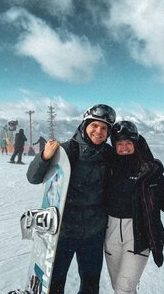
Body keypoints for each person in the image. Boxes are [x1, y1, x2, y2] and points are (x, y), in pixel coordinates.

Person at [26, 104, 116, 293]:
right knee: (55, 282)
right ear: (84, 126)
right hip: (64, 231)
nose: (98, 131)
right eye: (94, 126)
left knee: (91, 283)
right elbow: (33, 178)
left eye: (104, 128)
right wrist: (44, 156)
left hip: (94, 232)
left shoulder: (109, 155)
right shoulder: (67, 151)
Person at [104, 121, 164, 294]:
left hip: (138, 235)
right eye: (119, 144)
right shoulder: (108, 168)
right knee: (119, 287)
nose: (124, 148)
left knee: (123, 289)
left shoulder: (150, 172)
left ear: (136, 143)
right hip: (110, 235)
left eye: (128, 143)